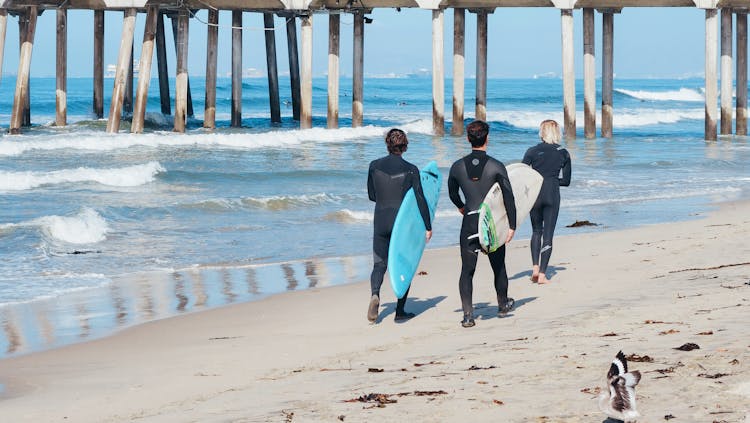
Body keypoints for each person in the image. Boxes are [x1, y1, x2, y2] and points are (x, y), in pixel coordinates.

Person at [448, 120, 516, 328]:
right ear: (487, 138)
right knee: (498, 266)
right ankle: (503, 304)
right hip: (491, 224)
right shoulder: (496, 166)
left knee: (467, 270)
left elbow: (452, 193)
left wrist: (462, 207)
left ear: (468, 139)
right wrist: (512, 225)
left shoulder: (457, 166)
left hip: (469, 222)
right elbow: (508, 197)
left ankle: (468, 315)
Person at [367, 128, 432, 323]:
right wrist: (427, 226)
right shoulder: (411, 169)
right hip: (400, 224)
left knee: (379, 264)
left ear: (387, 144)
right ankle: (400, 311)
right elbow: (420, 200)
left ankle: (375, 294)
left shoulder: (373, 165)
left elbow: (372, 195)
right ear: (405, 146)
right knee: (405, 264)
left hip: (380, 220)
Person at [522, 119, 572, 285]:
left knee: (536, 231)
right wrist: (551, 180)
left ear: (541, 132)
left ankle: (535, 268)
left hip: (534, 195)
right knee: (548, 235)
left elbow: (521, 175)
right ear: (558, 133)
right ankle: (543, 275)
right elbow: (566, 181)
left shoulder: (532, 151)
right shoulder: (563, 152)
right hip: (552, 194)